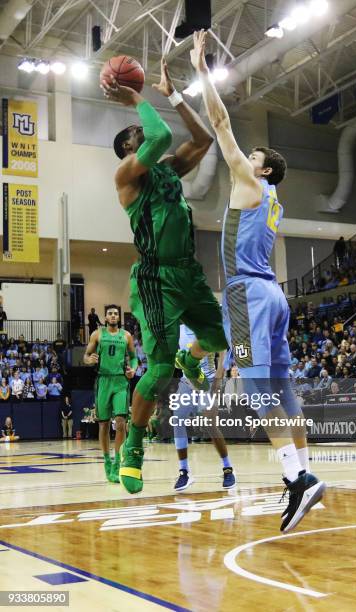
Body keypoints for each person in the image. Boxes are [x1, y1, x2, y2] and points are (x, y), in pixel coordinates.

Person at [191, 30, 325, 533]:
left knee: (254, 388)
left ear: (263, 169)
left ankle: (296, 479)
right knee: (283, 387)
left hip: (248, 293)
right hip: (274, 295)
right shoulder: (274, 201)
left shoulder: (250, 184)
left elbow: (220, 121)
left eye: (253, 155)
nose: (243, 156)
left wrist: (202, 69)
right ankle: (307, 474)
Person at [101, 57, 228, 495]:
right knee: (156, 372)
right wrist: (137, 96)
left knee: (219, 340)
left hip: (189, 273)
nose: (143, 130)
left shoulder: (169, 171)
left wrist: (173, 93)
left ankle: (190, 357)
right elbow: (161, 134)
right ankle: (133, 447)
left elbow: (203, 138)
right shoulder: (127, 176)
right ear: (128, 149)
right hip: (155, 279)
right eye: (136, 132)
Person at [172, 325, 235, 491]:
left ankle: (228, 468)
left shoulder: (206, 323)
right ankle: (184, 471)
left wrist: (219, 376)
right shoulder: (178, 329)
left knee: (210, 425)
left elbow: (222, 349)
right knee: (177, 420)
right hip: (187, 381)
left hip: (208, 380)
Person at [84, 305, 136, 483]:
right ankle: (107, 462)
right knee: (103, 425)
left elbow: (134, 357)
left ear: (118, 318)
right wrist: (89, 360)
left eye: (116, 314)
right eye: (110, 314)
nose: (113, 316)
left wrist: (133, 369)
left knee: (121, 422)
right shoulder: (97, 334)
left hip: (121, 382)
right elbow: (86, 355)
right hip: (103, 381)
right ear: (105, 318)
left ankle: (117, 464)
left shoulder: (126, 335)